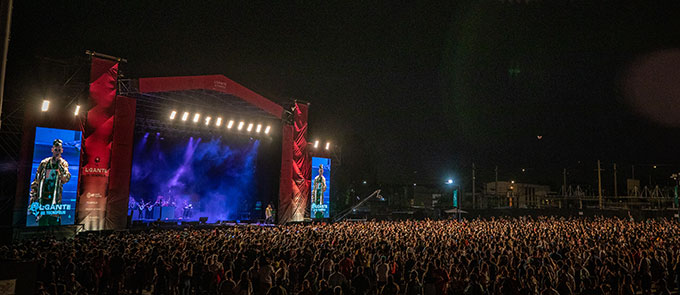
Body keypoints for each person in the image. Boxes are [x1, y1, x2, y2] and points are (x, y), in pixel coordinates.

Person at [29, 139, 71, 226]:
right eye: (56, 150)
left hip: (55, 199)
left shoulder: (63, 163)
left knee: (54, 223)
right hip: (43, 198)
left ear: (62, 151)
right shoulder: (44, 163)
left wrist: (60, 167)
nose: (57, 152)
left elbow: (66, 178)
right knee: (42, 223)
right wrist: (33, 194)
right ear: (52, 149)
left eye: (59, 150)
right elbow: (37, 179)